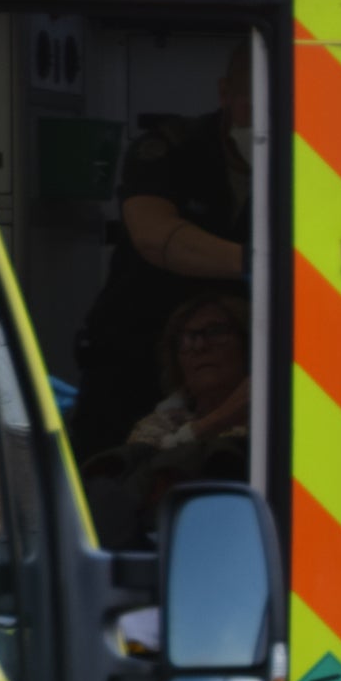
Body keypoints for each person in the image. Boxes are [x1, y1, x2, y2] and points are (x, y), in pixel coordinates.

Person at [71, 44, 253, 456]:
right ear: (224, 93)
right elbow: (154, 234)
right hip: (132, 353)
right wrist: (261, 264)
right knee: (112, 474)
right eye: (250, 106)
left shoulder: (306, 163)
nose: (262, 123)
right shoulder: (171, 148)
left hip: (227, 366)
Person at [81, 295, 250, 548]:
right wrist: (210, 424)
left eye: (215, 332)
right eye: (187, 338)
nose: (199, 346)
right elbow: (146, 486)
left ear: (248, 345)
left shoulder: (278, 419)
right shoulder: (161, 424)